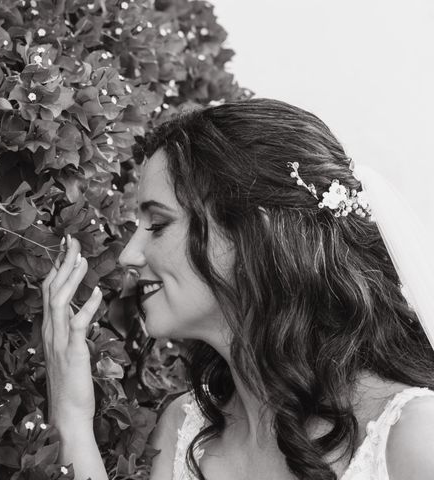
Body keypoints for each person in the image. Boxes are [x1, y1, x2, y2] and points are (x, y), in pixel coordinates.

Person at [40, 98, 434, 480]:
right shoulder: (184, 431)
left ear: (253, 236)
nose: (129, 255)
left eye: (158, 224)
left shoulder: (414, 438)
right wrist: (71, 418)